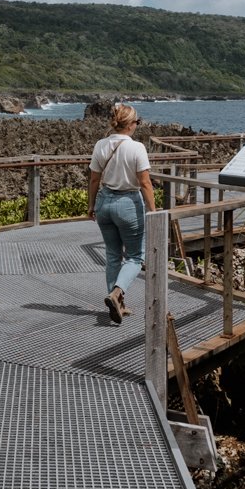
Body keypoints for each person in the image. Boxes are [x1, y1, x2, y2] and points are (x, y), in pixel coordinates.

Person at [88, 104, 156, 324]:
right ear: (130, 124)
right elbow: (145, 183)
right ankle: (117, 293)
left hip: (104, 203)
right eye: (138, 122)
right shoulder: (137, 148)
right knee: (136, 257)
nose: (138, 125)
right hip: (128, 203)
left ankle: (118, 304)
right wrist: (153, 211)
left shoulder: (101, 145)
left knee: (112, 255)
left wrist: (91, 205)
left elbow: (94, 180)